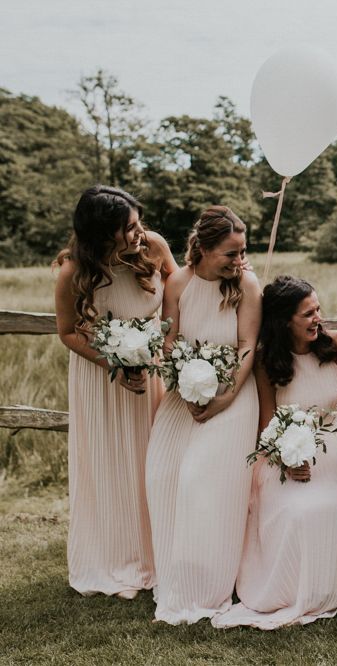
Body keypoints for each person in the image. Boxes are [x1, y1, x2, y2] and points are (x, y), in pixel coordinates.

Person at [212, 275, 337, 630]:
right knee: (297, 511)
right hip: (286, 457)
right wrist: (287, 458)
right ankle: (291, 588)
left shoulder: (335, 345)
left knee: (334, 506)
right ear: (284, 321)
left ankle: (325, 584)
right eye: (307, 314)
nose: (317, 319)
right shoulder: (267, 362)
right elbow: (267, 424)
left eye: (318, 310)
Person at [55, 185, 177, 599]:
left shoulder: (154, 247)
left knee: (152, 461)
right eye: (127, 228)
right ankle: (114, 555)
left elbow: (181, 292)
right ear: (100, 232)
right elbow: (68, 332)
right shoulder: (74, 271)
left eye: (138, 221)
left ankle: (158, 553)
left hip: (152, 373)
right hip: (102, 379)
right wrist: (116, 364)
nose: (138, 233)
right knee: (110, 463)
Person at [145, 206, 261, 624]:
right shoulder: (178, 282)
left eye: (241, 251)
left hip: (233, 394)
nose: (239, 260)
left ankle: (206, 582)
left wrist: (224, 397)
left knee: (198, 477)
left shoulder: (246, 284)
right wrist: (186, 380)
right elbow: (169, 341)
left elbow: (247, 345)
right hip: (183, 395)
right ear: (204, 249)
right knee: (161, 475)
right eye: (230, 253)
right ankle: (175, 570)